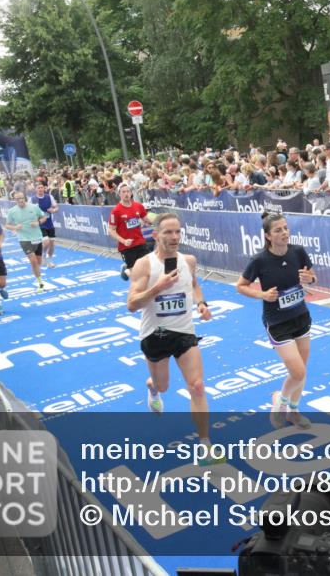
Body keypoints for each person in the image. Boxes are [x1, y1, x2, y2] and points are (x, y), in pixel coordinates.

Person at [126, 213, 221, 466]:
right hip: (154, 335)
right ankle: (153, 387)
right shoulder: (144, 265)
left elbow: (194, 286)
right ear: (155, 235)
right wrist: (158, 287)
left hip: (184, 332)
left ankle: (205, 446)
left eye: (178, 231)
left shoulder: (188, 260)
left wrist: (201, 304)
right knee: (164, 386)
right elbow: (132, 304)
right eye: (168, 232)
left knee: (198, 386)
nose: (175, 237)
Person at [236, 213, 318, 430]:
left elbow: (312, 276)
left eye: (285, 228)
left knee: (302, 370)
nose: (284, 233)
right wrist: (261, 295)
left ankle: (294, 411)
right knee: (298, 372)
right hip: (277, 323)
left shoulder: (298, 251)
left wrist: (311, 279)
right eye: (278, 230)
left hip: (301, 317)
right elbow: (241, 286)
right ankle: (280, 402)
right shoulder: (259, 260)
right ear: (268, 236)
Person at [4, 191, 48, 291]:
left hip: (37, 237)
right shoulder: (12, 211)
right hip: (24, 239)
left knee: (38, 261)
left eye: (21, 198)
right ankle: (40, 283)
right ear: (15, 200)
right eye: (17, 199)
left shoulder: (34, 207)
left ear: (25, 198)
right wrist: (15, 227)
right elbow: (6, 225)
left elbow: (44, 217)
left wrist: (38, 222)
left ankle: (37, 276)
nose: (20, 200)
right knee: (33, 261)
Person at [109, 184, 153, 281]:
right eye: (123, 192)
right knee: (135, 275)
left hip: (140, 242)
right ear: (119, 194)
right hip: (126, 247)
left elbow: (146, 219)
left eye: (128, 191)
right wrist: (123, 241)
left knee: (147, 269)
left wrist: (159, 221)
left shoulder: (138, 206)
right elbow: (111, 230)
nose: (126, 194)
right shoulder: (116, 211)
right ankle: (127, 270)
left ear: (131, 193)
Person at [32, 182, 59, 268]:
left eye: (41, 187)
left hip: (49, 223)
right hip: (40, 224)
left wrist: (53, 210)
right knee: (46, 242)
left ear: (44, 188)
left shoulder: (49, 197)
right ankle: (43, 255)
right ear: (35, 189)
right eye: (38, 188)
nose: (40, 189)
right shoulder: (32, 199)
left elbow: (56, 207)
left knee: (52, 244)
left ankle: (49, 260)